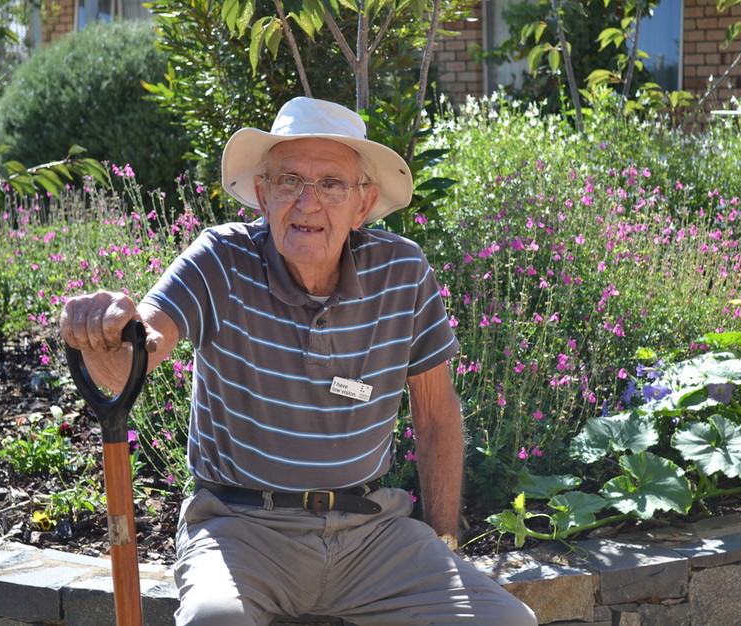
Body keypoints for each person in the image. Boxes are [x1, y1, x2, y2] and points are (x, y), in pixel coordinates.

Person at [60, 97, 538, 626]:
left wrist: (444, 539)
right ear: (263, 194)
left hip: (372, 534)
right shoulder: (219, 260)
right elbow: (139, 352)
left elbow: (436, 413)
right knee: (215, 621)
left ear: (363, 204)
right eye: (289, 180)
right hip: (241, 530)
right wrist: (105, 334)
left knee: (508, 622)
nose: (307, 202)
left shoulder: (403, 271)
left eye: (331, 184)